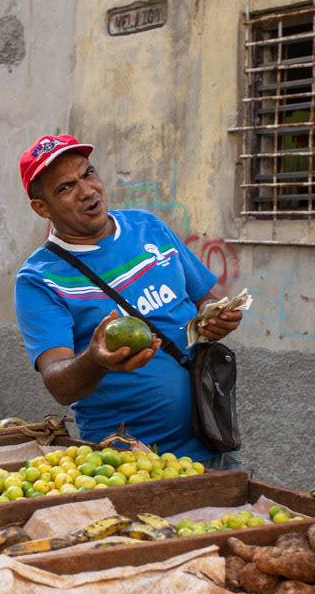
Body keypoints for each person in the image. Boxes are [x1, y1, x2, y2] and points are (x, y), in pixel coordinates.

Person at [13, 134, 243, 469]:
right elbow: (58, 384)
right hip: (124, 463)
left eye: (88, 174)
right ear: (42, 207)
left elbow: (204, 297)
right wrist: (93, 359)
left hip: (211, 442)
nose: (87, 191)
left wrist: (215, 316)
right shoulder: (39, 278)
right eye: (65, 187)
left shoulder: (148, 227)